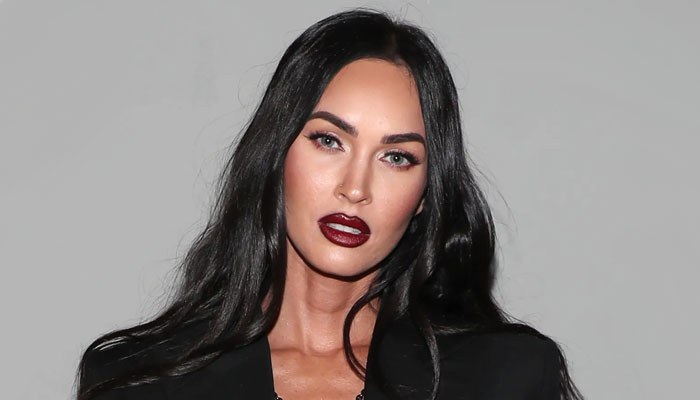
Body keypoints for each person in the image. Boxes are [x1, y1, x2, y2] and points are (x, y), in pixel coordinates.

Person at [76, 9, 583, 400]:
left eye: (396, 157)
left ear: (426, 197)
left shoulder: (505, 378)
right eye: (329, 141)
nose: (355, 188)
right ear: (276, 153)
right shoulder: (137, 382)